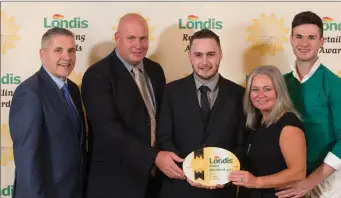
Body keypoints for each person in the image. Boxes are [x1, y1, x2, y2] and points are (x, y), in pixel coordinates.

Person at [81, 13, 184, 198]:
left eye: (143, 38)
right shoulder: (97, 75)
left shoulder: (155, 70)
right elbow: (109, 131)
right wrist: (154, 157)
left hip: (154, 182)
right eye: (131, 38)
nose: (138, 44)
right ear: (117, 38)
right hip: (115, 184)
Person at [156, 28, 247, 198]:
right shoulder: (171, 91)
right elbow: (164, 138)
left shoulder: (239, 95)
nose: (204, 62)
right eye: (198, 55)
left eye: (211, 54)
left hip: (221, 192)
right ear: (189, 56)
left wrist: (227, 173)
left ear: (221, 54)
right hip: (178, 189)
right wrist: (188, 171)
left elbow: (242, 144)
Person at [276, 11, 341, 198]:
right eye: (299, 37)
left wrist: (311, 181)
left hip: (328, 181)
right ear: (290, 39)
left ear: (322, 41)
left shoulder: (335, 85)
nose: (304, 44)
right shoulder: (280, 83)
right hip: (289, 178)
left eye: (311, 37)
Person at [9, 27, 87, 198]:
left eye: (71, 50)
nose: (67, 57)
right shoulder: (29, 93)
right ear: (42, 55)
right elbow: (27, 161)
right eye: (58, 50)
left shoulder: (73, 89)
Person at [228, 65, 306, 198]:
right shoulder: (256, 122)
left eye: (267, 89)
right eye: (255, 89)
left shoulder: (288, 124)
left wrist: (257, 182)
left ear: (279, 91)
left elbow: (298, 172)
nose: (260, 95)